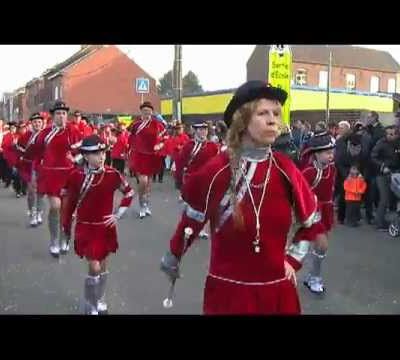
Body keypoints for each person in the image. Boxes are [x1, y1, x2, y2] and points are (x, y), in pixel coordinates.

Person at [160, 81, 319, 315]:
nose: (273, 120)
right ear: (242, 120)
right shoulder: (218, 170)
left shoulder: (286, 170)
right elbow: (192, 220)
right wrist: (173, 255)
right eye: (263, 113)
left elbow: (311, 223)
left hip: (276, 292)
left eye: (276, 113)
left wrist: (293, 260)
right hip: (229, 293)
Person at [61, 135, 134, 315]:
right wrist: (66, 224)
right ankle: (91, 302)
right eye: (95, 153)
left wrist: (118, 214)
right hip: (85, 226)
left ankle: (100, 297)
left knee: (103, 266)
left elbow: (129, 193)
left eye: (102, 152)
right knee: (94, 266)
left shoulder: (112, 174)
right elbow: (67, 201)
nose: (101, 156)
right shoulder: (76, 176)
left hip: (105, 227)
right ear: (85, 156)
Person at [35, 100, 83, 258]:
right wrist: (40, 165)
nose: (61, 116)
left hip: (69, 175)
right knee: (55, 206)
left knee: (67, 211)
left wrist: (75, 159)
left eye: (64, 113)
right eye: (58, 113)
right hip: (52, 175)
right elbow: (38, 152)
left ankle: (65, 238)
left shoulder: (73, 131)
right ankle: (54, 240)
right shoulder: (45, 133)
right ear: (53, 116)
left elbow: (84, 150)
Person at [300, 131, 336, 294]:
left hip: (327, 209)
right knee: (322, 244)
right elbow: (298, 192)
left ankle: (312, 275)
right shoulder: (309, 172)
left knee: (321, 248)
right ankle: (314, 278)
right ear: (316, 154)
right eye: (327, 153)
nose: (331, 156)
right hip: (314, 211)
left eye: (332, 152)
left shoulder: (332, 168)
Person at [174, 121, 220, 239]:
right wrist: (179, 183)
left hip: (208, 181)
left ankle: (203, 229)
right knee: (191, 206)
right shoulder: (188, 146)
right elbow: (180, 164)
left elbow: (218, 164)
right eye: (199, 129)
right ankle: (188, 225)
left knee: (207, 206)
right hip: (191, 180)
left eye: (204, 129)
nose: (203, 131)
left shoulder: (213, 146)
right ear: (194, 130)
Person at [128, 101, 166, 219]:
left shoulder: (157, 124)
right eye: (144, 111)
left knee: (148, 184)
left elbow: (165, 137)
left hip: (152, 156)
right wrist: (130, 149)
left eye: (149, 111)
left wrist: (160, 146)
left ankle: (146, 204)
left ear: (152, 112)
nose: (147, 113)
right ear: (141, 112)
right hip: (139, 155)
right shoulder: (136, 124)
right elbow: (130, 137)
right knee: (143, 182)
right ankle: (141, 204)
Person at [15, 113, 45, 227]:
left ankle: (39, 212)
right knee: (32, 190)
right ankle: (32, 212)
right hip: (30, 165)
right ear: (31, 123)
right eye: (35, 122)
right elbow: (18, 148)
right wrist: (22, 155)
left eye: (39, 122)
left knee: (41, 191)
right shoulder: (26, 135)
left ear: (42, 123)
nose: (37, 124)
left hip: (42, 165)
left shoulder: (46, 134)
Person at [371, 125, 400, 231]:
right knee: (384, 198)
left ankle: (393, 221)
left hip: (396, 173)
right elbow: (373, 157)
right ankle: (379, 223)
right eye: (388, 134)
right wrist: (383, 166)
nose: (390, 136)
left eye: (393, 134)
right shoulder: (381, 143)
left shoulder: (397, 143)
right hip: (383, 174)